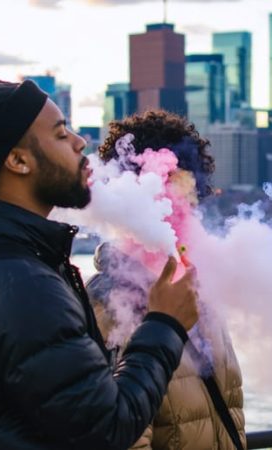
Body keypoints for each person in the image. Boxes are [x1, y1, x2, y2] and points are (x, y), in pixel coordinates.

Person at [0, 78, 198, 449]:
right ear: (18, 160)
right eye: (59, 133)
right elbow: (106, 429)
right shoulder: (22, 285)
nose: (80, 141)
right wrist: (166, 323)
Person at [87, 109, 245, 449]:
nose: (183, 207)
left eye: (190, 192)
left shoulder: (199, 291)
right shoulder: (110, 303)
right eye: (172, 189)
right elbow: (120, 437)